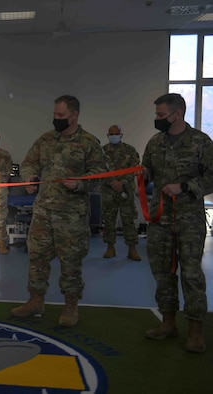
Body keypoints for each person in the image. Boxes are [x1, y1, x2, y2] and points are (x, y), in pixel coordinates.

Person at [11, 95, 108, 327]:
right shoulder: (45, 140)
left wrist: (80, 183)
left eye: (61, 116)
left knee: (71, 261)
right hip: (43, 211)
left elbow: (100, 177)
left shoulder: (88, 142)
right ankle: (36, 301)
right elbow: (29, 163)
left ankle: (70, 307)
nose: (56, 119)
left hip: (71, 215)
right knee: (37, 258)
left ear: (74, 116)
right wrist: (29, 178)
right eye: (55, 115)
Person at [142, 93, 212, 353]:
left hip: (189, 220)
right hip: (160, 220)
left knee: (191, 274)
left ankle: (195, 330)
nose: (157, 120)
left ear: (177, 114)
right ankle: (168, 323)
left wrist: (184, 186)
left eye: (161, 115)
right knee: (162, 274)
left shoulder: (201, 142)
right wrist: (142, 173)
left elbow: (212, 177)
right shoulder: (155, 143)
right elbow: (147, 169)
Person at [101, 125, 142, 261]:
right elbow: (99, 169)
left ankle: (132, 249)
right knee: (108, 220)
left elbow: (135, 169)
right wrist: (113, 182)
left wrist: (122, 182)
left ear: (121, 135)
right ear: (108, 135)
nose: (114, 136)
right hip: (108, 191)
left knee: (128, 220)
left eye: (116, 133)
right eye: (111, 134)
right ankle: (110, 248)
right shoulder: (102, 152)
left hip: (126, 190)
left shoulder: (130, 150)